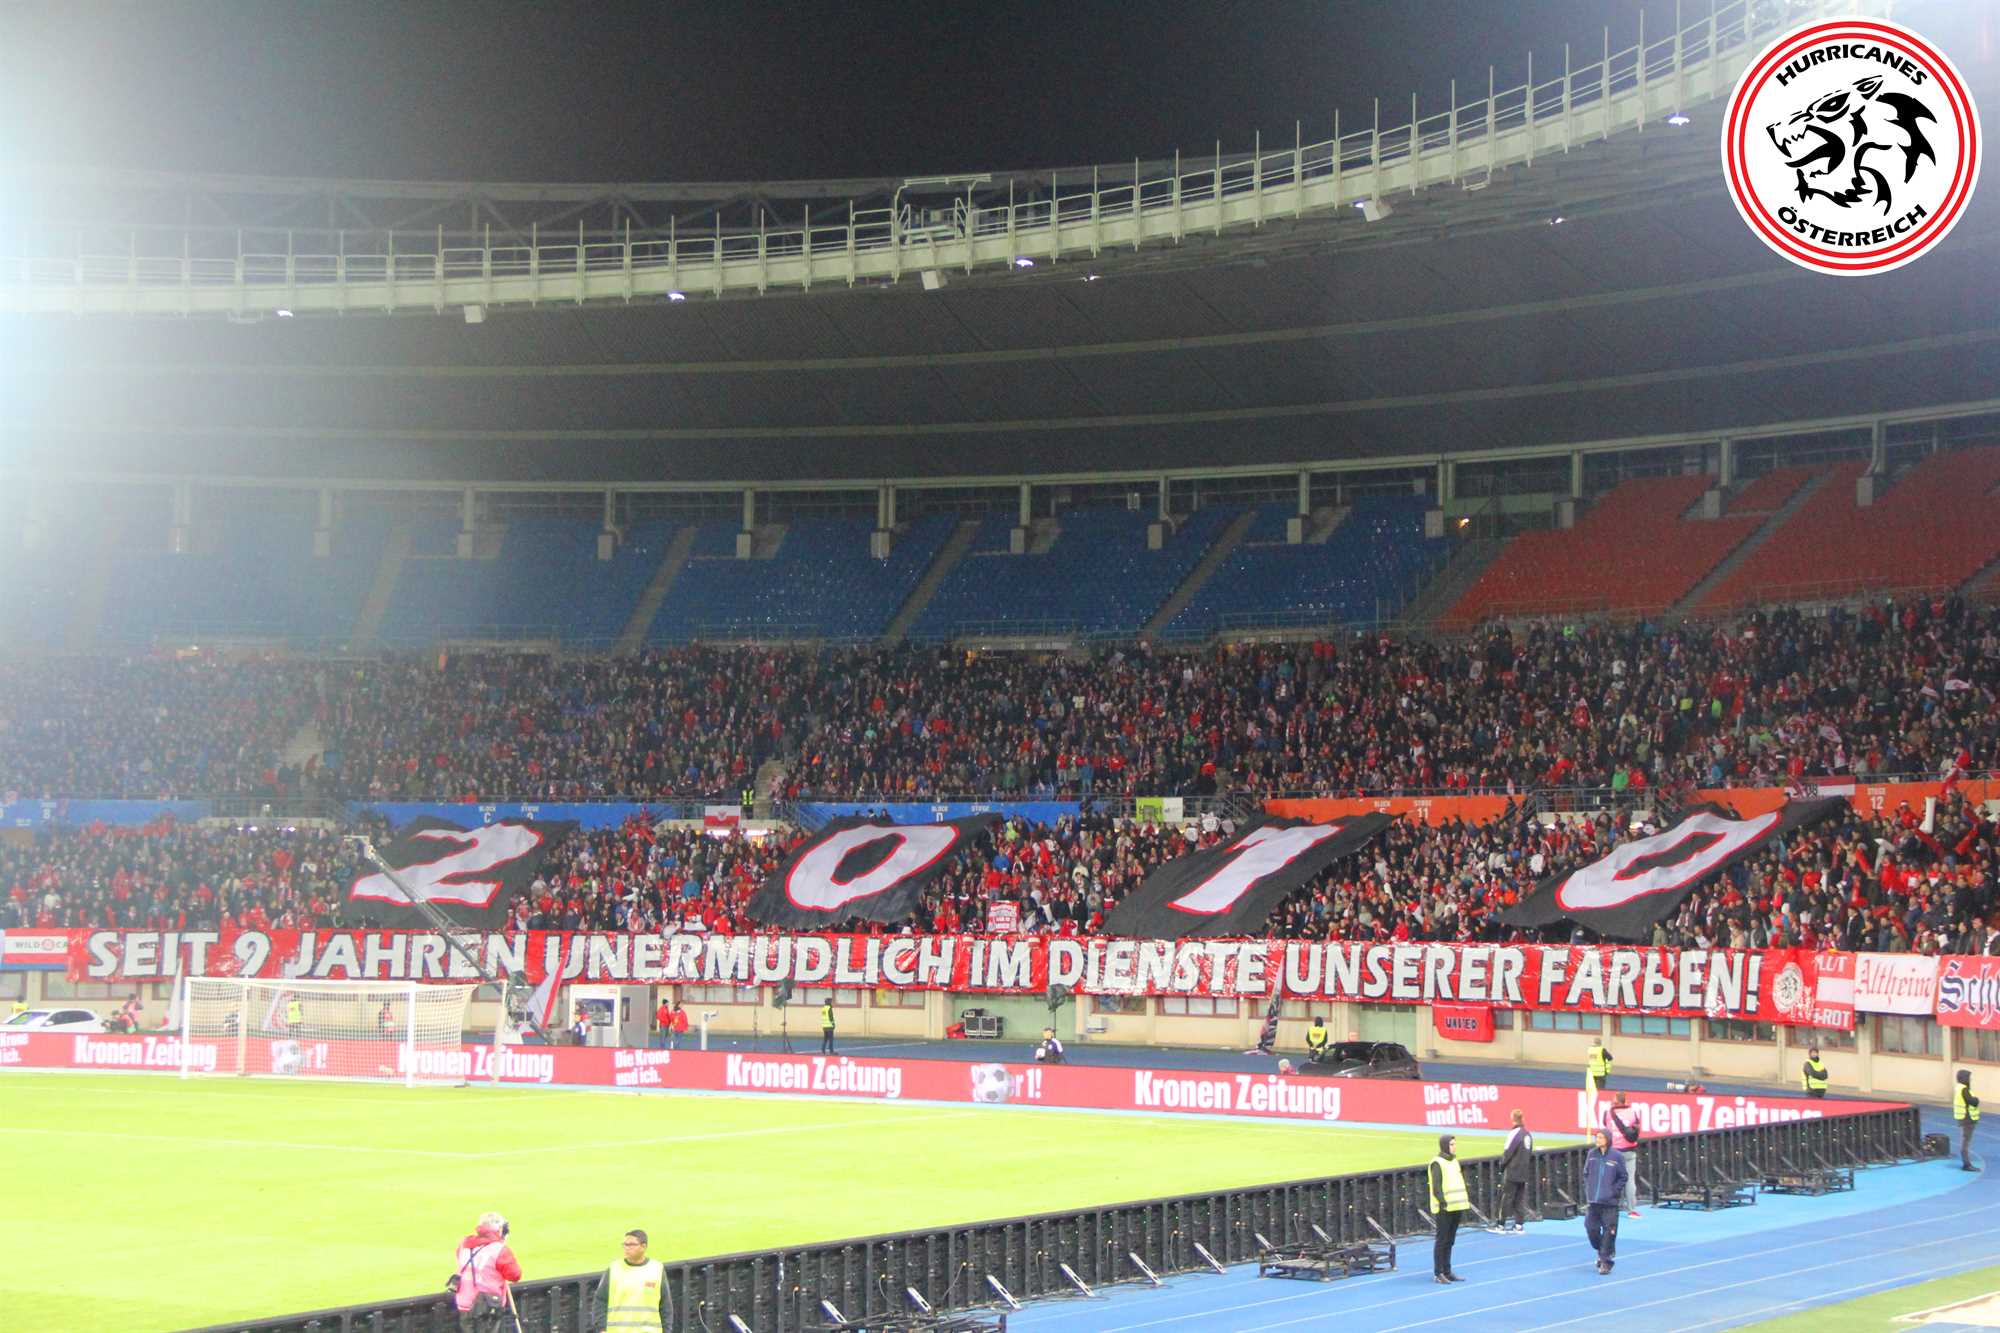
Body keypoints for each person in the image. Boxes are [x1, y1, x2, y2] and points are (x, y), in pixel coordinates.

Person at [589, 1228, 671, 1333]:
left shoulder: (657, 1269)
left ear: (643, 1246)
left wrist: (667, 1330)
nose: (627, 1248)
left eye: (631, 1244)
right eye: (625, 1244)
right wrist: (601, 1329)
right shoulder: (614, 1269)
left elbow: (665, 1305)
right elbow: (600, 1300)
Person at [452, 1211, 522, 1332]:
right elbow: (515, 1275)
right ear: (499, 1229)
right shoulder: (499, 1249)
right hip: (487, 1304)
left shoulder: (464, 1244)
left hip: (464, 1302)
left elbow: (461, 1258)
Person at [1583, 1129, 1628, 1275]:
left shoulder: (1617, 1156)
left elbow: (1623, 1177)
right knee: (1591, 1228)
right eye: (1597, 1137)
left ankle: (1605, 1261)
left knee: (1609, 1232)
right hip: (1594, 1202)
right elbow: (1586, 1173)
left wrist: (1613, 1191)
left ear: (1608, 1139)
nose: (1598, 1139)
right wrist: (1589, 1190)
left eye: (1601, 1137)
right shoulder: (1591, 1155)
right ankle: (1602, 1250)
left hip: (1610, 1203)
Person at [1427, 1134, 1470, 1283]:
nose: (1454, 1147)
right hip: (1444, 1208)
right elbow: (1436, 1186)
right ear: (1445, 1146)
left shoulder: (1454, 1162)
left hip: (1457, 1206)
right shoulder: (1437, 1163)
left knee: (1450, 1241)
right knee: (1442, 1240)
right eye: (1451, 1144)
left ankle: (1447, 1271)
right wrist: (1443, 1202)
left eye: (1455, 1144)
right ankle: (1438, 1273)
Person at [1603, 1092, 1642, 1218]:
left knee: (1611, 1179)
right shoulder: (1633, 1112)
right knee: (1629, 1180)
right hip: (1629, 1151)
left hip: (1613, 1151)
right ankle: (1632, 1210)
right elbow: (1637, 1129)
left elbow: (1605, 1126)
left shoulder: (1608, 1113)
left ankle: (1611, 1207)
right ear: (1625, 1101)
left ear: (1614, 1102)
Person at [1497, 1109, 1533, 1232]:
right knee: (1519, 1199)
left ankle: (1501, 1224)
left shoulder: (1514, 1133)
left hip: (1512, 1171)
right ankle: (1519, 1225)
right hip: (1524, 1172)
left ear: (1512, 1119)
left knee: (1507, 1198)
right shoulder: (1528, 1135)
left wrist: (1501, 1167)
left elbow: (1507, 1152)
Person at [1956, 1069, 1982, 1171]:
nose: (1970, 1079)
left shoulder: (1959, 1088)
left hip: (1964, 1118)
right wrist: (1976, 1100)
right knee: (1965, 1141)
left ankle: (1966, 1163)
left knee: (1965, 1140)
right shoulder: (1964, 1089)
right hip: (1967, 1118)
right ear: (1964, 1078)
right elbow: (1972, 1102)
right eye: (1968, 1077)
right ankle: (1966, 1164)